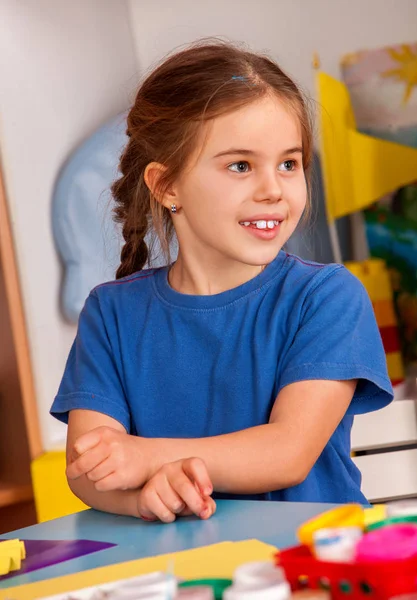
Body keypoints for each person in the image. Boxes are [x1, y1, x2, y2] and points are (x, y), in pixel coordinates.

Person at [51, 40, 393, 523]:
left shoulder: (327, 298)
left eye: (289, 164)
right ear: (167, 186)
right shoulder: (110, 313)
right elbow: (88, 468)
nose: (273, 188)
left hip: (317, 565)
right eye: (240, 166)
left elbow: (286, 453)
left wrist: (146, 458)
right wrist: (140, 500)